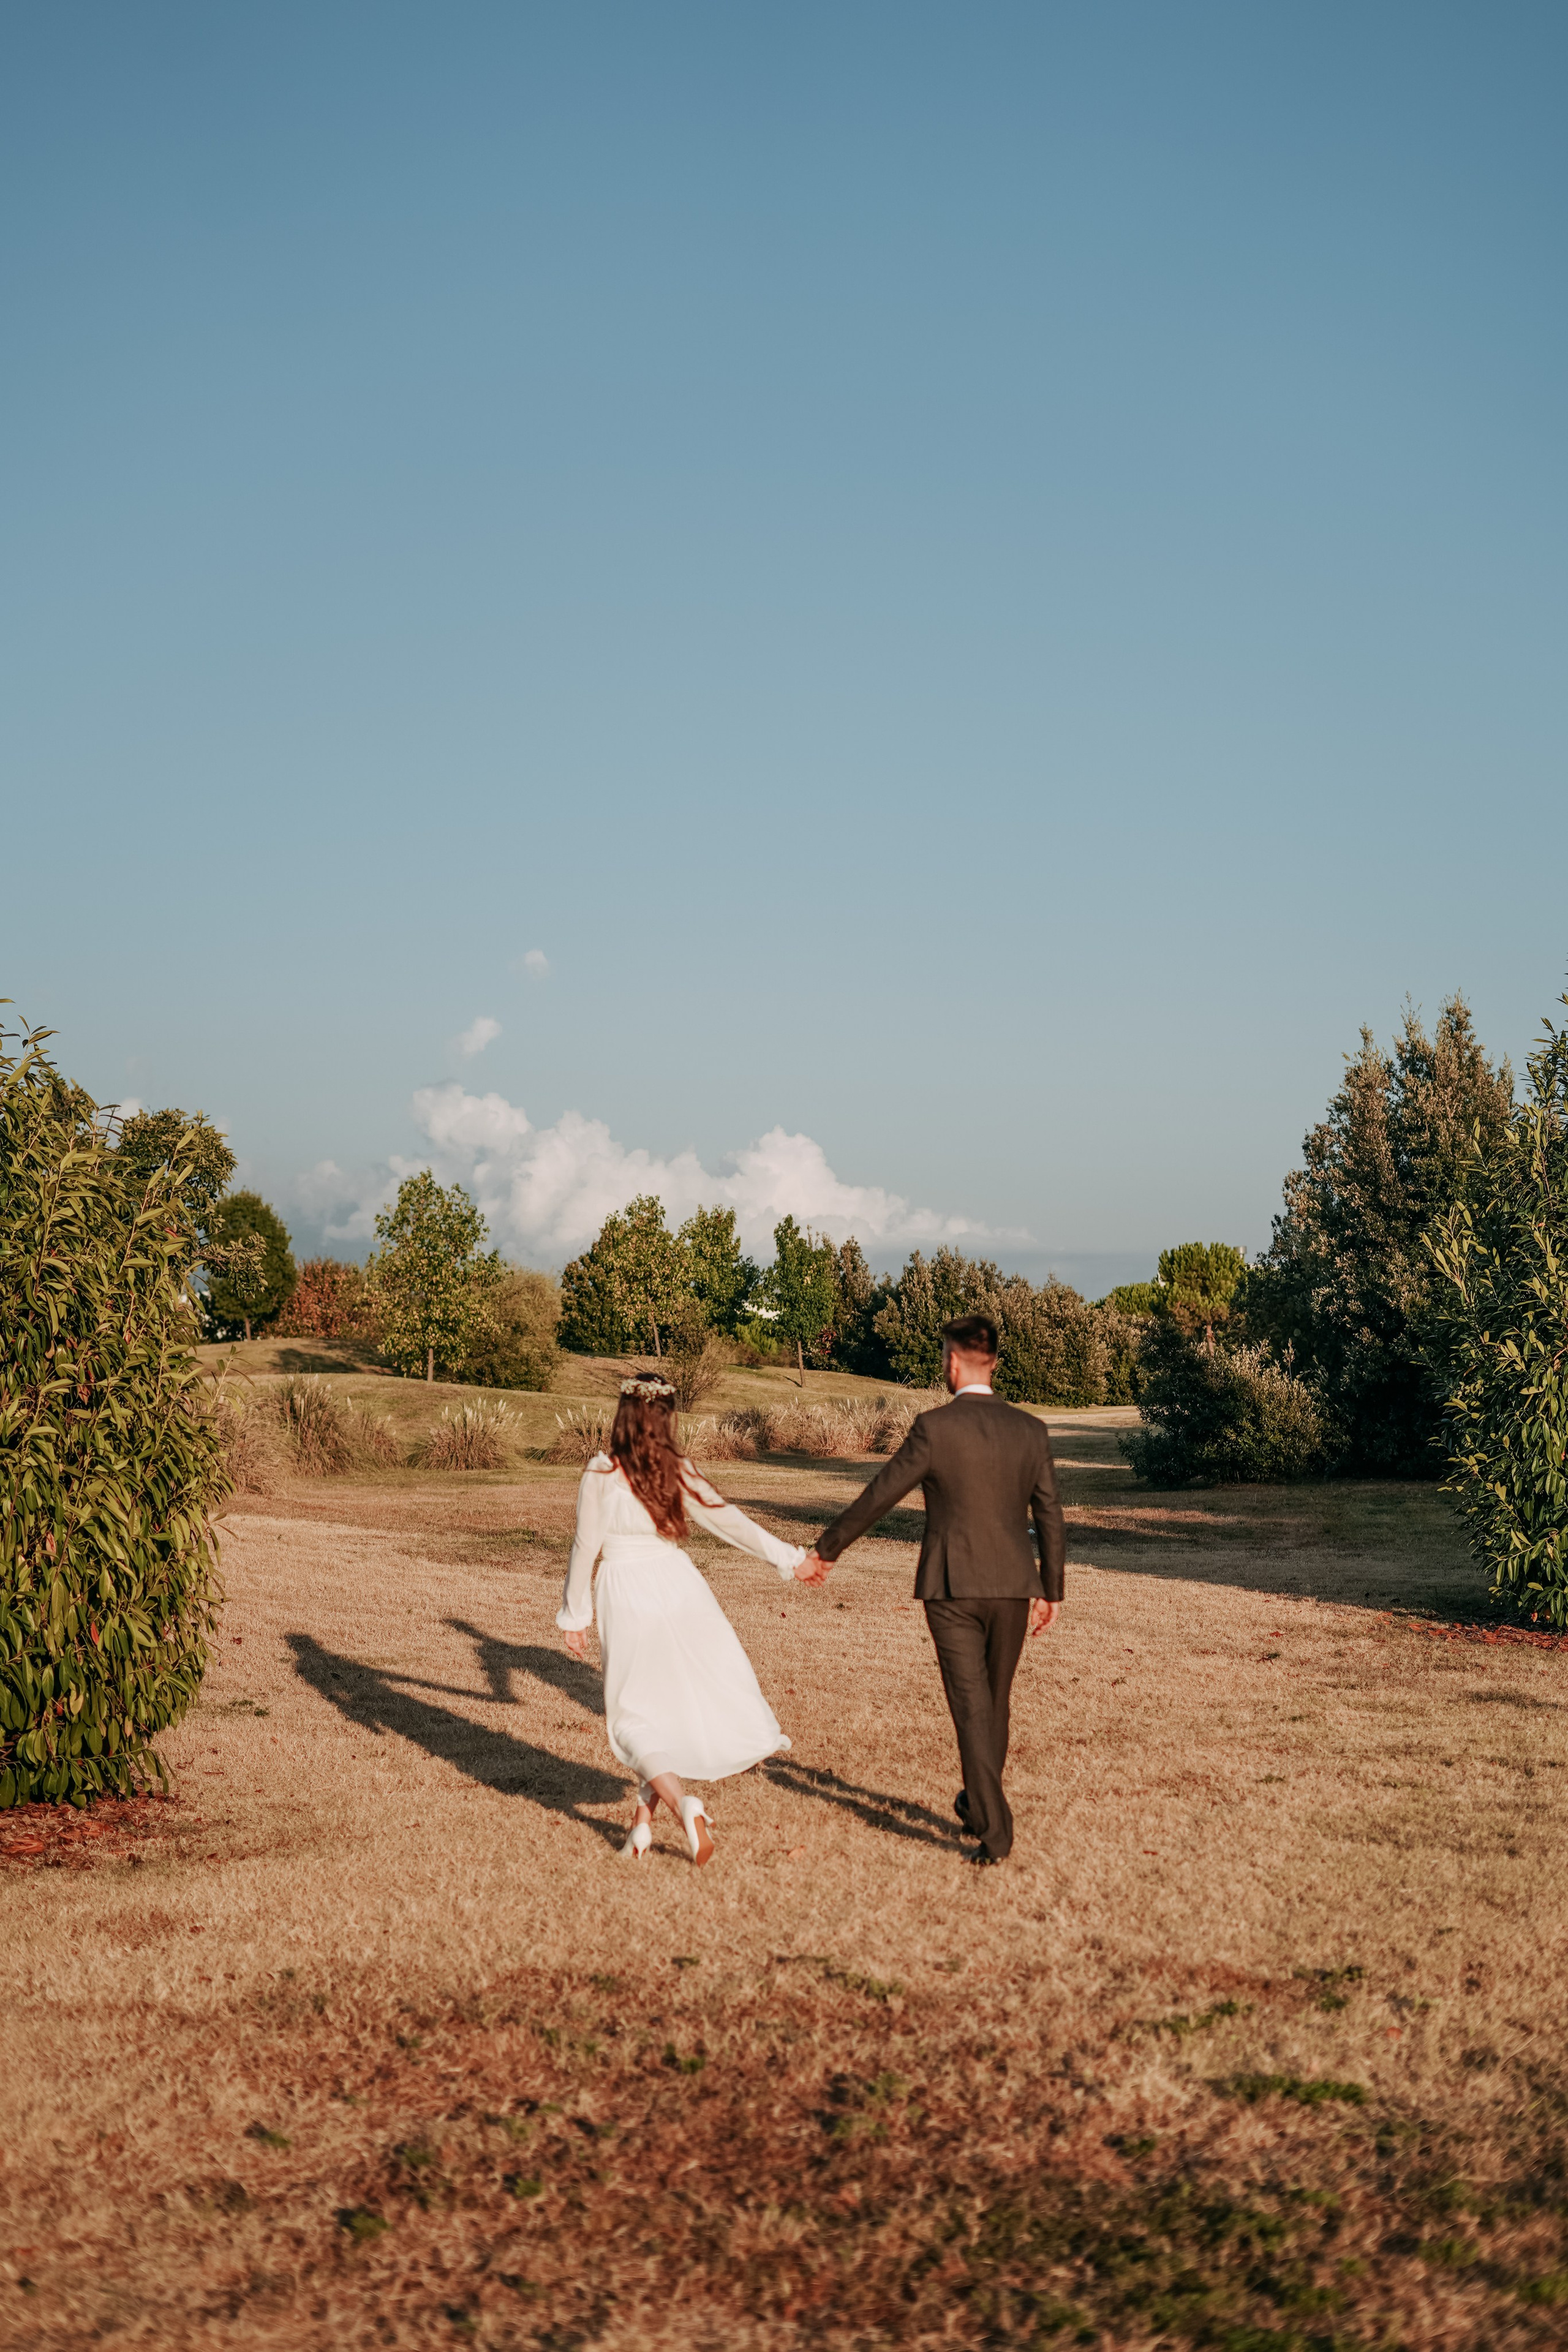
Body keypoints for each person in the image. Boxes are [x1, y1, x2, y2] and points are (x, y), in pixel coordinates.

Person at [797, 1311, 1065, 1866]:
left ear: (953, 1360)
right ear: (991, 1361)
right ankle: (977, 1802)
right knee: (994, 1702)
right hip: (1015, 1584)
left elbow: (880, 1494)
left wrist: (828, 1548)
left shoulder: (935, 1428)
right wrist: (1052, 1588)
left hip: (951, 1586)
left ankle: (996, 1830)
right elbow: (1051, 1513)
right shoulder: (1030, 1430)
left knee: (971, 1707)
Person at [557, 1371, 809, 1864]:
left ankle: (682, 1804)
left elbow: (586, 1546)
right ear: (667, 1418)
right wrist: (789, 1557)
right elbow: (729, 1519)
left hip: (626, 1591)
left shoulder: (602, 1472)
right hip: (680, 1585)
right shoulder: (678, 1468)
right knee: (662, 1711)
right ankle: (641, 1830)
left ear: (624, 1416)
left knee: (633, 1718)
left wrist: (575, 1615)